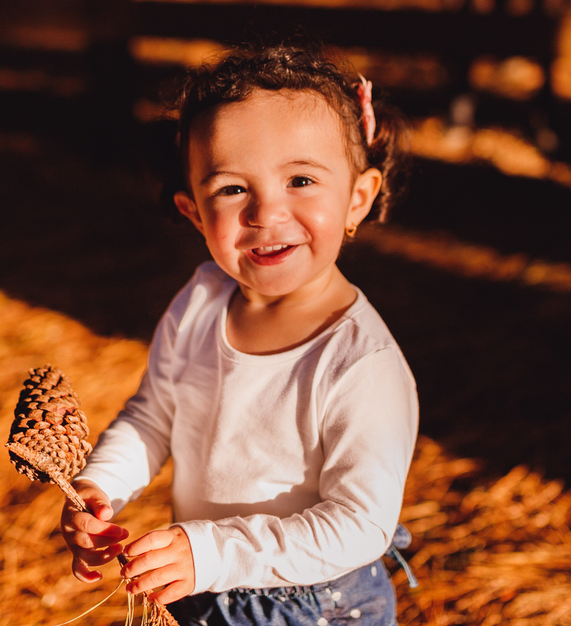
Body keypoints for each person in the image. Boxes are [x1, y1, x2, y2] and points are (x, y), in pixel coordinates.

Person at [61, 42, 418, 626]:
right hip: (202, 584)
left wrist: (212, 554)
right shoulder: (200, 302)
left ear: (358, 198)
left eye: (300, 179)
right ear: (194, 212)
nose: (265, 212)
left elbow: (361, 524)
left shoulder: (360, 363)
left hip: (311, 603)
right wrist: (101, 487)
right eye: (231, 189)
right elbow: (155, 414)